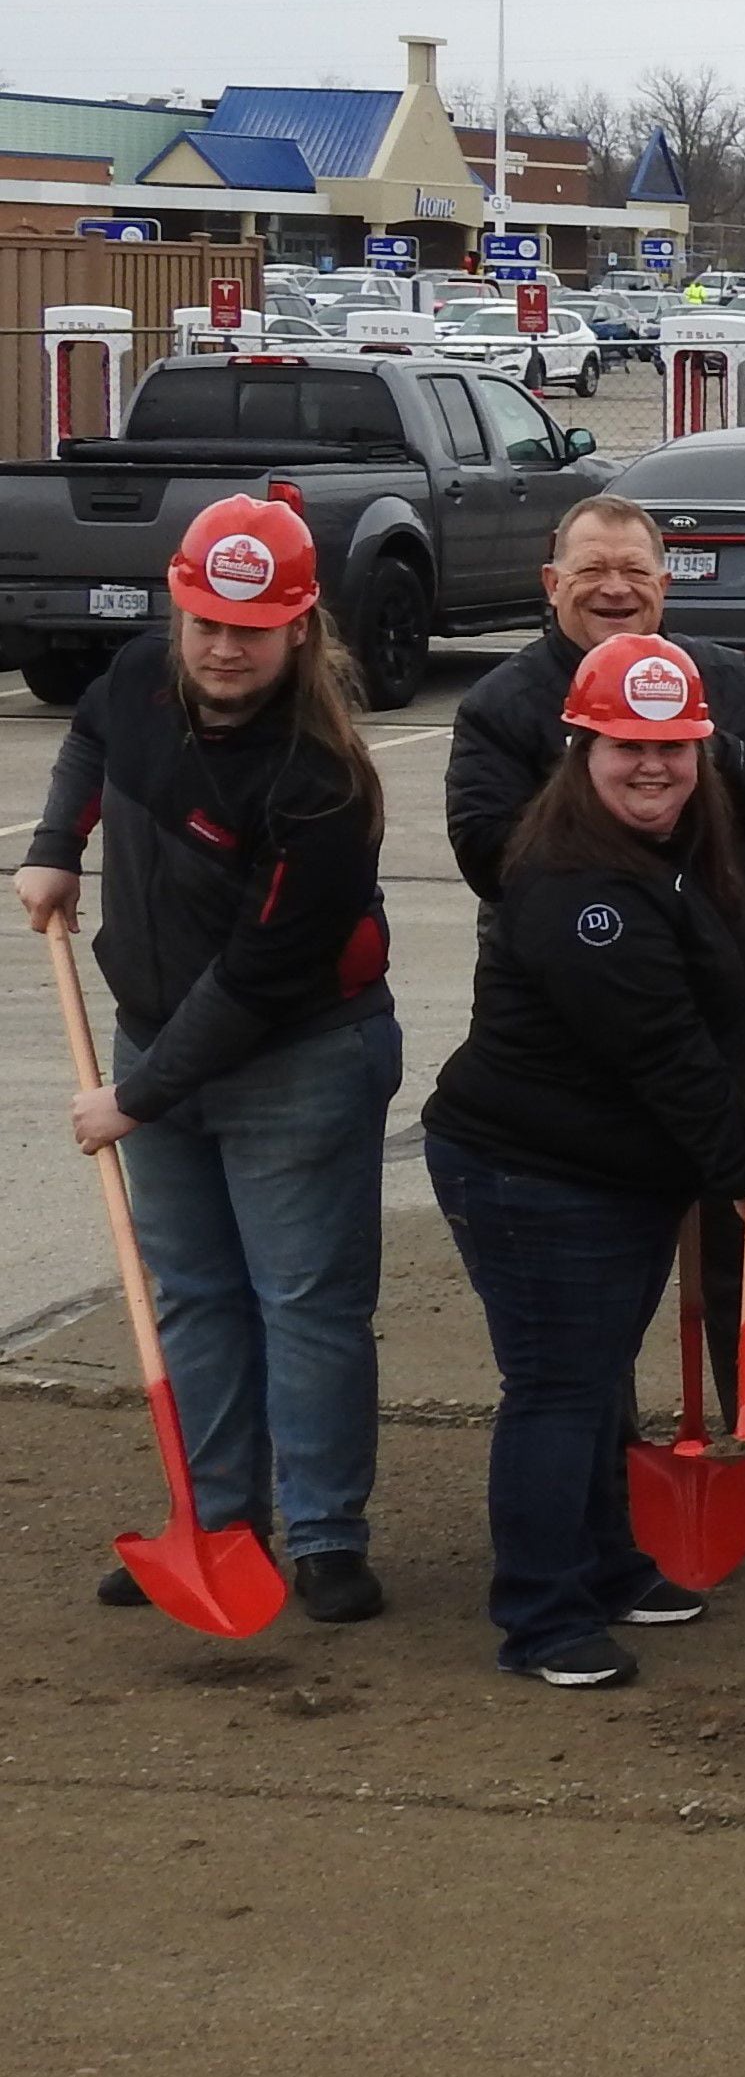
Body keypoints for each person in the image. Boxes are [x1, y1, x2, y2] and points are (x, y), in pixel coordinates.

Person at [443, 493, 745, 1533]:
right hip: (583, 1024)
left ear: (667, 582)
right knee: (612, 1250)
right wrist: (613, 759)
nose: (615, 587)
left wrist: (688, 736)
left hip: (724, 1013)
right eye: (591, 570)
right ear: (553, 583)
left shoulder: (727, 680)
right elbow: (487, 852)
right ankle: (616, 1455)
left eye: (635, 569)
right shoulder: (502, 703)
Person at [17, 495, 398, 1627]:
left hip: (299, 1058)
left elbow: (256, 979)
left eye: (252, 626)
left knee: (305, 1298)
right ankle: (218, 1513)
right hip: (153, 1031)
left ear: (299, 627)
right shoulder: (140, 673)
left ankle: (327, 1534)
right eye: (205, 621)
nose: (224, 647)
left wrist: (134, 1096)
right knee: (193, 1293)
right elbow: (90, 731)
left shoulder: (321, 781)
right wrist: (55, 845)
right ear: (178, 609)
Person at [422, 638, 745, 1689]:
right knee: (556, 1386)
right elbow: (656, 1047)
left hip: (614, 1173)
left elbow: (719, 951)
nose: (655, 766)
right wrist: (739, 1168)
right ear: (582, 744)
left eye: (675, 745)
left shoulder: (683, 838)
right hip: (531, 1170)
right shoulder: (575, 882)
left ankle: (611, 1563)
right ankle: (539, 1613)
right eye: (630, 745)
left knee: (589, 1382)